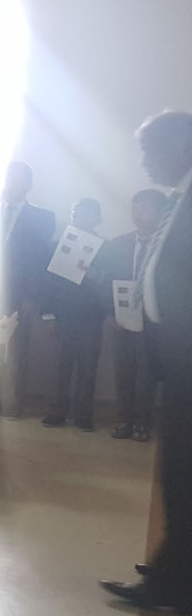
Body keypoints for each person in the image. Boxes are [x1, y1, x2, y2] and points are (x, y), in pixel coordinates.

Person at [101, 111, 192, 612]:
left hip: (188, 357)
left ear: (179, 147)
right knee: (178, 472)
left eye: (149, 151)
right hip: (176, 358)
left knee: (183, 471)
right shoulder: (180, 197)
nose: (144, 162)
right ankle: (173, 567)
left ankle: (173, 580)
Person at [0, 161, 55, 416]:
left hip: (21, 294)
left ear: (28, 184)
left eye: (17, 179)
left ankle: (14, 402)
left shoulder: (43, 217)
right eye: (7, 178)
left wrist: (32, 297)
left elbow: (41, 262)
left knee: (17, 348)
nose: (10, 184)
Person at [98, 188, 168, 441]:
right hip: (122, 319)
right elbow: (105, 283)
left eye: (145, 208)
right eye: (135, 207)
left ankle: (142, 422)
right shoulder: (118, 245)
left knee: (146, 375)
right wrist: (109, 313)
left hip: (153, 322)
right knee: (123, 372)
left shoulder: (168, 247)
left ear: (160, 212)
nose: (138, 213)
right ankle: (123, 419)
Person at [43, 198, 107, 432]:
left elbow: (108, 284)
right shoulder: (57, 246)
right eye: (76, 215)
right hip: (63, 315)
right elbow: (47, 283)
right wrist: (48, 315)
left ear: (97, 219)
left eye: (86, 215)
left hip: (91, 317)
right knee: (60, 366)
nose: (80, 219)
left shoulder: (106, 249)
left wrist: (92, 274)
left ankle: (83, 415)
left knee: (88, 368)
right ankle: (56, 411)